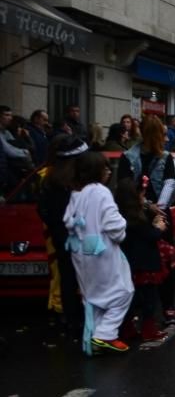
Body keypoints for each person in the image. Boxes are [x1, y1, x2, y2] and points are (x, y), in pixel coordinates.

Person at [63, 150, 134, 354]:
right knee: (122, 291)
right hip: (101, 251)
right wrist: (122, 225)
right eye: (105, 168)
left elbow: (68, 220)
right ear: (96, 170)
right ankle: (105, 335)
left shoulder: (76, 193)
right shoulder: (101, 192)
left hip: (79, 251)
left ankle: (95, 337)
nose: (108, 172)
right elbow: (114, 225)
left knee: (92, 297)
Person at [117, 115, 175, 325]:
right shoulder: (128, 157)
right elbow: (124, 188)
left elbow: (171, 183)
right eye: (162, 133)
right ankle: (140, 310)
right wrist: (147, 206)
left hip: (159, 216)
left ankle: (167, 306)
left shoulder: (166, 157)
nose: (166, 137)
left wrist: (159, 209)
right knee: (138, 264)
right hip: (136, 217)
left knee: (164, 263)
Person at [38, 136, 89, 337]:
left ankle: (71, 320)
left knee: (67, 279)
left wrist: (56, 228)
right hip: (76, 238)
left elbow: (42, 210)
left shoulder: (50, 180)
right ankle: (83, 319)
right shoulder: (73, 183)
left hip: (61, 238)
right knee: (80, 279)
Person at [114, 177, 170, 342]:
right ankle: (148, 329)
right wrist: (159, 227)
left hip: (128, 265)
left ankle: (128, 329)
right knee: (148, 300)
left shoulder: (121, 216)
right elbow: (150, 236)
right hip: (145, 264)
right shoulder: (137, 218)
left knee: (131, 300)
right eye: (142, 193)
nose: (144, 196)